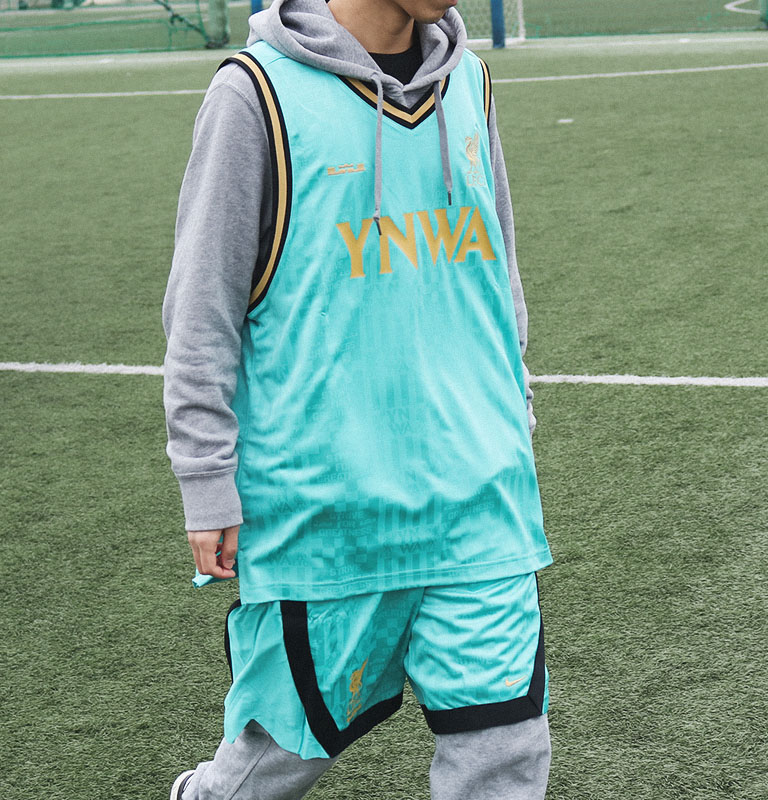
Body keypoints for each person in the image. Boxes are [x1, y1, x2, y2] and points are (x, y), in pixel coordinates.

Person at [162, 1, 554, 798]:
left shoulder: (471, 82)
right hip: (328, 519)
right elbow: (202, 311)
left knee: (504, 755)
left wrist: (512, 417)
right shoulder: (255, 93)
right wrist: (206, 477)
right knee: (272, 765)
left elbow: (497, 271)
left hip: (481, 504)